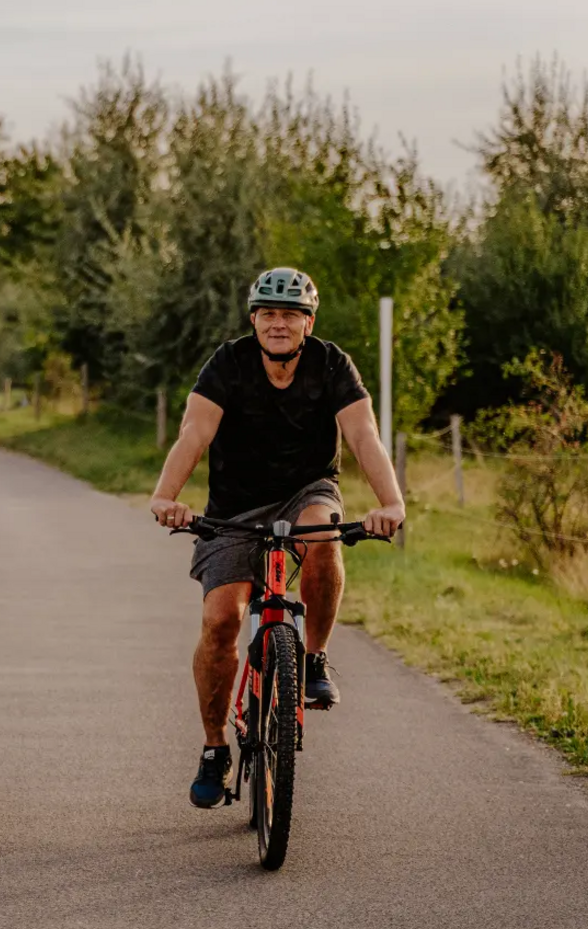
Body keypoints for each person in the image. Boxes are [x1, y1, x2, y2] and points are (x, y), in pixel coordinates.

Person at [147, 268, 405, 808]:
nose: (278, 324)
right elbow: (195, 431)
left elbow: (362, 434)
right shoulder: (228, 364)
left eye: (290, 314)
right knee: (220, 621)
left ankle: (312, 658)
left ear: (308, 323)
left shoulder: (332, 365)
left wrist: (391, 503)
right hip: (234, 507)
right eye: (268, 313)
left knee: (324, 538)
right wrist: (165, 496)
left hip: (305, 489)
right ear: (254, 319)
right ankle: (216, 747)